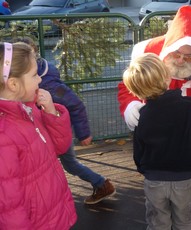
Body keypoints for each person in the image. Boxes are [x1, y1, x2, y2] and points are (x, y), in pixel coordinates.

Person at [117, 5, 191, 229]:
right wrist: (130, 104)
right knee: (164, 209)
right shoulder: (150, 52)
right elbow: (127, 84)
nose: (180, 61)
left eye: (189, 57)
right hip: (161, 145)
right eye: (176, 55)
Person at [12, 37, 116, 205]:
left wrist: (84, 133)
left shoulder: (49, 84)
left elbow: (75, 104)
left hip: (56, 132)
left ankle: (101, 184)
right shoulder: (20, 81)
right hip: (41, 134)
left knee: (69, 164)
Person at [123, 53, 191, 229]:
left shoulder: (143, 114)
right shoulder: (190, 107)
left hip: (154, 180)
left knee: (158, 222)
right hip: (184, 179)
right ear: (167, 77)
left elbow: (139, 148)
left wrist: (143, 168)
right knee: (186, 220)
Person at [0, 42, 77, 228]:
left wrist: (51, 112)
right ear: (13, 84)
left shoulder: (29, 110)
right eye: (34, 75)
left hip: (56, 211)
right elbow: (9, 208)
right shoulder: (4, 137)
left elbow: (60, 146)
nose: (40, 80)